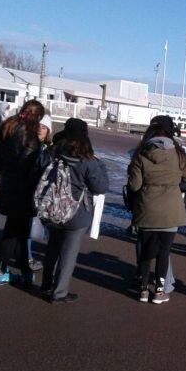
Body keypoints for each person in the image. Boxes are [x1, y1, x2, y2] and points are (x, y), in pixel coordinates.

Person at [40, 124, 109, 303]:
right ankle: (59, 292)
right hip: (76, 213)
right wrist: (101, 167)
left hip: (51, 207)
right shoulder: (88, 160)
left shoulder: (52, 153)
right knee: (68, 254)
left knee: (52, 248)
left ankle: (46, 284)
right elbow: (100, 188)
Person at [128, 116, 186, 304]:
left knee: (147, 251)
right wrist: (175, 187)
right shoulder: (179, 153)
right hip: (171, 210)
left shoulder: (141, 153)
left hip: (147, 209)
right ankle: (159, 291)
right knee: (164, 252)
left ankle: (143, 290)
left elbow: (134, 185)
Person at [0, 100, 46, 286]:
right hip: (22, 190)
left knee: (17, 231)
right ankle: (2, 271)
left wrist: (6, 173)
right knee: (15, 231)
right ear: (37, 116)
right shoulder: (29, 135)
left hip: (8, 184)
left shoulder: (9, 126)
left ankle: (22, 271)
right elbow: (30, 166)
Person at [27, 115, 54, 271]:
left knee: (46, 226)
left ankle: (49, 259)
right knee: (29, 227)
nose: (40, 129)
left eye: (44, 127)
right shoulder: (30, 146)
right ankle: (28, 258)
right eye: (38, 126)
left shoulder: (49, 149)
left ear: (48, 131)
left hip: (44, 194)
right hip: (30, 191)